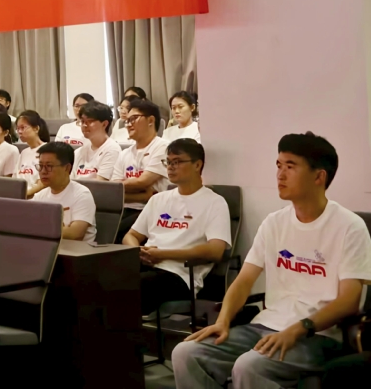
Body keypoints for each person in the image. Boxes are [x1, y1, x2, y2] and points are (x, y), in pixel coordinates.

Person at [173, 133, 371, 388]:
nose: (280, 174)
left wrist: (298, 329)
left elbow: (349, 300)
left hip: (318, 335)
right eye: (278, 165)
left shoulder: (349, 226)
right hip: (265, 326)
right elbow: (244, 280)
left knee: (250, 365)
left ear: (318, 177)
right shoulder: (274, 222)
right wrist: (222, 321)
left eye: (290, 166)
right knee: (186, 353)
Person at [122, 139, 231, 315]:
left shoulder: (215, 202)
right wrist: (138, 251)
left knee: (130, 287)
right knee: (102, 277)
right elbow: (131, 235)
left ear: (197, 165)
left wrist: (162, 254)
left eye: (178, 162)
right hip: (145, 265)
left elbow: (216, 250)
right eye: (168, 162)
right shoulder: (158, 199)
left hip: (179, 276)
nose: (171, 167)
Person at [111, 98, 169, 238]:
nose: (128, 125)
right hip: (123, 210)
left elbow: (142, 182)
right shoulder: (124, 153)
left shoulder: (163, 147)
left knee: (114, 236)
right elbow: (113, 190)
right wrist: (143, 195)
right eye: (127, 121)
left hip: (151, 211)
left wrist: (127, 189)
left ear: (150, 120)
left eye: (134, 119)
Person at [32, 142, 97, 244]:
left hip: (76, 252)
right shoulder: (40, 196)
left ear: (67, 168)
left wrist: (39, 229)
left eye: (49, 166)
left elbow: (75, 234)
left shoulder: (82, 194)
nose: (43, 171)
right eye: (40, 166)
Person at [73, 101, 123, 181]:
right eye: (82, 121)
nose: (84, 125)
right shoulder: (79, 152)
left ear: (104, 124)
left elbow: (100, 184)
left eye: (89, 121)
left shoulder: (112, 149)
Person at [16, 110, 50, 197]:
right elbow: (15, 179)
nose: (20, 131)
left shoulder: (48, 150)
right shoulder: (23, 153)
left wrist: (23, 195)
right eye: (18, 128)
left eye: (23, 127)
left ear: (36, 129)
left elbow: (43, 183)